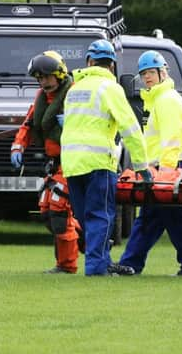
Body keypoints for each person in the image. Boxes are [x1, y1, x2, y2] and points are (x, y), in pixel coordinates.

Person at [60, 39, 149, 276]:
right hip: (98, 162)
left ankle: (103, 260)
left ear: (89, 61)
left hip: (71, 163)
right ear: (111, 65)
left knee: (85, 216)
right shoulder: (110, 88)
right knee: (101, 216)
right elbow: (130, 128)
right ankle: (97, 267)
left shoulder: (74, 90)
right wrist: (142, 165)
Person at [117, 50, 182, 275]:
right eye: (144, 74)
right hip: (170, 165)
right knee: (153, 216)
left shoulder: (165, 100)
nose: (147, 78)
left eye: (151, 73)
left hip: (172, 166)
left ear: (163, 72)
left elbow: (170, 139)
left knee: (168, 216)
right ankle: (132, 262)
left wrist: (164, 173)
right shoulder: (161, 99)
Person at [11, 51, 80, 274]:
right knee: (47, 214)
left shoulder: (76, 95)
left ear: (59, 75)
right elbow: (28, 124)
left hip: (72, 162)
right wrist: (18, 146)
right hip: (53, 164)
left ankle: (67, 265)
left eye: (46, 77)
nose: (43, 82)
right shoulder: (41, 99)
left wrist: (72, 120)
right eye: (39, 78)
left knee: (59, 214)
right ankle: (87, 237)